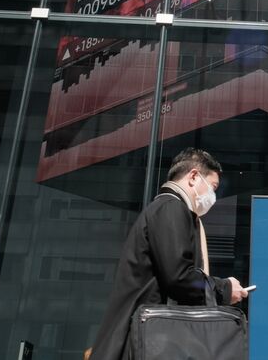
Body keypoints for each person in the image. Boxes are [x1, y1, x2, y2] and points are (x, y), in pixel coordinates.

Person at [85, 148, 249, 360]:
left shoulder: (164, 209)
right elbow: (179, 277)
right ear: (193, 177)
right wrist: (224, 288)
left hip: (145, 340)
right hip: (144, 342)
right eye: (213, 187)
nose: (213, 196)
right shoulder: (171, 209)